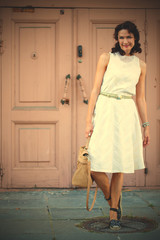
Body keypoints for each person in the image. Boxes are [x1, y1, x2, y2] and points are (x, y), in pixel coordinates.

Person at [85, 21, 150, 230]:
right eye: (121, 37)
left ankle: (114, 213)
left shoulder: (140, 65)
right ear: (117, 39)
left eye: (129, 37)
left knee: (120, 164)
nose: (125, 41)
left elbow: (140, 98)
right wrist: (88, 120)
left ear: (135, 39)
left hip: (126, 112)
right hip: (105, 109)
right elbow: (95, 89)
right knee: (94, 166)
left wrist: (145, 125)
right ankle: (112, 199)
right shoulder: (106, 58)